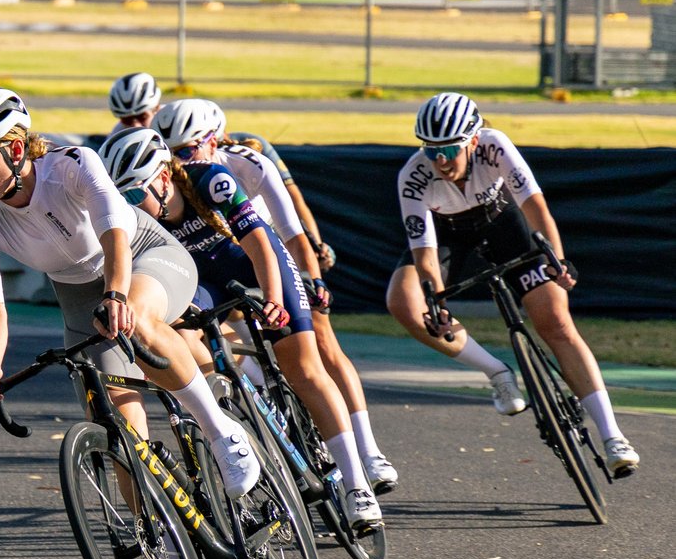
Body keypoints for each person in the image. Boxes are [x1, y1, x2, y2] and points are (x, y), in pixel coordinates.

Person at [0, 88, 259, 559]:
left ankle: (221, 430)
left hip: (142, 256)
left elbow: (117, 230)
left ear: (17, 147)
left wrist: (117, 295)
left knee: (135, 320)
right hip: (78, 296)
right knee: (123, 443)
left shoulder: (73, 166)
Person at [101, 127, 381, 525]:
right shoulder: (136, 220)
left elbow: (258, 244)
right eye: (122, 198)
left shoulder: (210, 181)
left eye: (135, 194)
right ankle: (242, 390)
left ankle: (357, 486)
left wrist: (273, 298)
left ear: (163, 177)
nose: (132, 206)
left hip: (252, 259)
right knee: (180, 333)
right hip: (200, 279)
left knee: (302, 366)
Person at [384, 92, 638, 476]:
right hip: (447, 233)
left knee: (555, 321)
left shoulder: (495, 145)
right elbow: (425, 255)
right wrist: (437, 304)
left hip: (502, 220)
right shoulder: (413, 176)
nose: (439, 160)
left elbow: (535, 207)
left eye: (449, 149)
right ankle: (496, 372)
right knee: (403, 301)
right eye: (430, 149)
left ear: (472, 140)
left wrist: (556, 259)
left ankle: (612, 434)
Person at [157, 97, 397, 494]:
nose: (178, 164)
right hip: (213, 266)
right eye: (170, 156)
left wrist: (312, 278)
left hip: (267, 253)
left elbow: (289, 229)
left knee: (319, 345)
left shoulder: (247, 164)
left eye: (186, 151)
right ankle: (257, 396)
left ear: (213, 142)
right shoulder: (170, 188)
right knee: (211, 331)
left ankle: (367, 452)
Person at [107, 71, 162, 140]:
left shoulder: (175, 126)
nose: (135, 126)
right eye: (127, 120)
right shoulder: (117, 135)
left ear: (157, 108)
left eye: (142, 117)